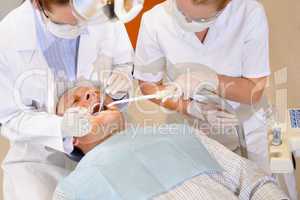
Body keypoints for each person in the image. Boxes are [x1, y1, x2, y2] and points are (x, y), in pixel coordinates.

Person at [0, 0, 142, 199]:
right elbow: (10, 118)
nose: (81, 24)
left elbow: (124, 63)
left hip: (110, 146)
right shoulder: (7, 39)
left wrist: (121, 83)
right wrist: (60, 128)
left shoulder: (100, 8)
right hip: (39, 153)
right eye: (74, 19)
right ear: (38, 3)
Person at [54, 86, 288, 200]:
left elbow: (252, 180)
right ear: (70, 138)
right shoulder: (71, 190)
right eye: (77, 100)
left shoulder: (180, 134)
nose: (91, 94)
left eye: (94, 92)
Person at [134, 0, 271, 171]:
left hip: (246, 127)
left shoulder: (248, 13)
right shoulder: (154, 20)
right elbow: (148, 86)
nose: (188, 22)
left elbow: (254, 90)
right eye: (181, 12)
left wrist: (211, 79)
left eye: (200, 20)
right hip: (190, 131)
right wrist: (189, 107)